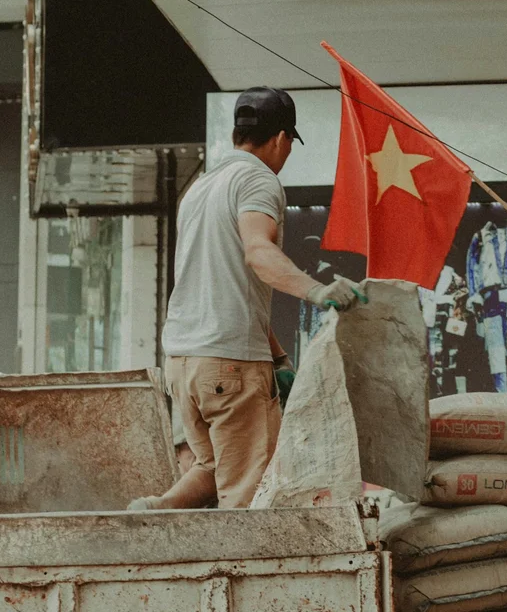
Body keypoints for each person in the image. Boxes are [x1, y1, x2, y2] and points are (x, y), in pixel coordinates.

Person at [130, 86, 362, 511]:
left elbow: (224, 286)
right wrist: (319, 291)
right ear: (280, 139)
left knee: (209, 470)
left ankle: (151, 513)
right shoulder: (258, 180)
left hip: (184, 364)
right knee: (249, 498)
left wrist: (276, 358)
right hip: (229, 365)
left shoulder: (200, 188)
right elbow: (258, 252)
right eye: (289, 144)